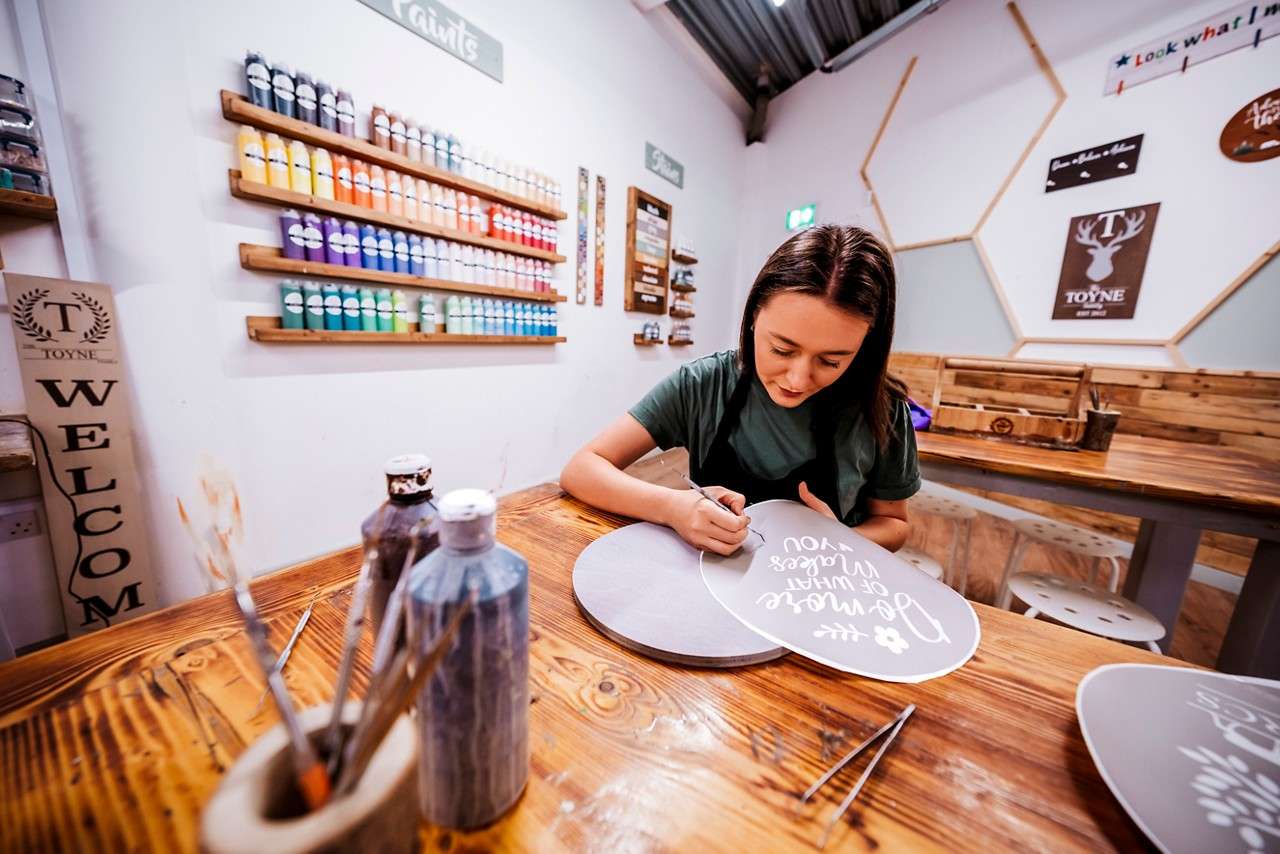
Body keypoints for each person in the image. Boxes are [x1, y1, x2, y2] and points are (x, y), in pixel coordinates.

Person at [560, 225, 920, 556]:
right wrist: (673, 507)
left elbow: (895, 524)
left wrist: (839, 537)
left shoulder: (883, 409)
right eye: (781, 350)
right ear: (752, 317)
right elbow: (582, 469)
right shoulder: (704, 384)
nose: (796, 379)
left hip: (816, 591)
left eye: (831, 362)